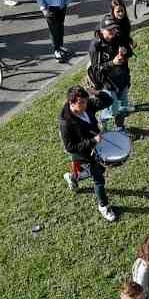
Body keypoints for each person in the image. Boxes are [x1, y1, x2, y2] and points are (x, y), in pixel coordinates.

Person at [60, 85, 118, 223]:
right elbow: (70, 147)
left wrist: (96, 92)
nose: (85, 105)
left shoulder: (87, 105)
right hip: (84, 154)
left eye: (86, 101)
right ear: (71, 102)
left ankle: (73, 177)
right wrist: (92, 141)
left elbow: (108, 101)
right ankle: (103, 206)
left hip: (96, 145)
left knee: (99, 169)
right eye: (81, 103)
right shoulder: (66, 123)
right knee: (99, 179)